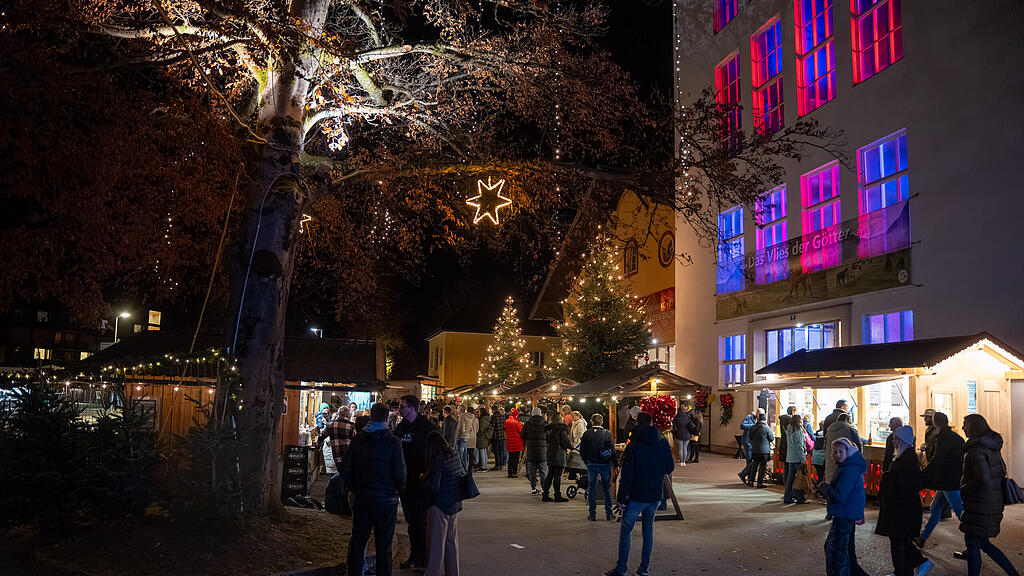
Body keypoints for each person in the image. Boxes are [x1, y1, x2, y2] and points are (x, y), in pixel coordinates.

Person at [603, 412, 674, 576]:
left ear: (637, 422)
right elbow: (669, 468)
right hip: (655, 494)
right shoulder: (662, 443)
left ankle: (621, 569)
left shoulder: (633, 445)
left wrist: (621, 499)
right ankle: (643, 569)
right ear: (651, 422)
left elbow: (627, 476)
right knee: (648, 531)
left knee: (626, 531)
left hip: (636, 495)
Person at [342, 402, 406, 576]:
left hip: (363, 496)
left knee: (358, 541)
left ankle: (354, 573)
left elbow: (346, 466)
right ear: (386, 418)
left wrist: (352, 486)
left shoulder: (359, 440)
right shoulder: (393, 442)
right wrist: (397, 490)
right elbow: (400, 472)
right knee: (384, 544)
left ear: (372, 416)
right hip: (386, 499)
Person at [959, 414, 1019, 576]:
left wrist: (963, 489)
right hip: (990, 502)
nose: (963, 427)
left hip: (980, 504)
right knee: (983, 543)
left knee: (973, 544)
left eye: (965, 424)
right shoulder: (992, 448)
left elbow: (982, 481)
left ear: (973, 426)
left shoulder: (975, 451)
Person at [876, 425, 932, 576]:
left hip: (904, 508)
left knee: (899, 541)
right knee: (899, 540)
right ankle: (904, 570)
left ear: (902, 440)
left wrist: (888, 478)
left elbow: (906, 483)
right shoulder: (904, 456)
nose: (893, 441)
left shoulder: (906, 459)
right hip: (903, 506)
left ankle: (914, 566)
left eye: (895, 439)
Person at [394, 395, 439, 570]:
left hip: (422, 482)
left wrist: (427, 475)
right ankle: (415, 555)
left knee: (421, 522)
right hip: (406, 482)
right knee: (412, 522)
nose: (399, 409)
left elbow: (436, 453)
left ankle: (424, 557)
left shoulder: (426, 428)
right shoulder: (401, 428)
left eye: (402, 406)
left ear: (412, 408)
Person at [916, 411, 965, 547]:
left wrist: (925, 472)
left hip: (949, 482)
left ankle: (975, 543)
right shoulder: (953, 437)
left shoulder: (944, 438)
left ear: (935, 422)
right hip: (949, 481)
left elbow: (938, 458)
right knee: (935, 508)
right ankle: (922, 537)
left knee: (960, 512)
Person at [822, 438, 869, 576]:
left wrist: (826, 488)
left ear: (848, 452)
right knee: (844, 550)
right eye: (835, 452)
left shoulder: (849, 469)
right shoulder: (848, 466)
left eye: (840, 451)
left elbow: (840, 495)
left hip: (845, 513)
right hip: (847, 512)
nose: (837, 454)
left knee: (836, 551)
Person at [423, 430, 463, 576]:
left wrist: (423, 479)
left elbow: (434, 487)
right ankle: (453, 572)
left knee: (436, 543)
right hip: (453, 503)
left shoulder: (438, 460)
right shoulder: (454, 455)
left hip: (439, 505)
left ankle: (433, 572)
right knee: (451, 542)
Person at [580, 413, 617, 521]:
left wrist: (586, 461)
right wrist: (616, 464)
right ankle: (609, 513)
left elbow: (582, 450)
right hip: (604, 464)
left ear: (592, 422)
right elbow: (613, 450)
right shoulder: (606, 433)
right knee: (607, 489)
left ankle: (592, 514)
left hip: (591, 464)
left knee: (591, 488)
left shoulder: (587, 434)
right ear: (602, 422)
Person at [824, 413, 862, 497]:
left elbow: (825, 445)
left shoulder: (829, 430)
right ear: (847, 420)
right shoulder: (850, 429)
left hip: (831, 459)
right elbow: (858, 445)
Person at [542, 410, 571, 502]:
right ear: (560, 418)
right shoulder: (562, 428)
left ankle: (545, 494)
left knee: (550, 474)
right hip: (559, 453)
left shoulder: (547, 428)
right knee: (557, 475)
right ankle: (557, 495)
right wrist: (571, 447)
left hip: (550, 452)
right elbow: (565, 441)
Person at [521, 407, 548, 495]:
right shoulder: (545, 424)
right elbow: (549, 436)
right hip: (542, 451)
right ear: (540, 414)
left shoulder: (527, 424)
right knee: (543, 471)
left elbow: (522, 435)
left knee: (532, 471)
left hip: (531, 451)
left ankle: (533, 488)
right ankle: (544, 489)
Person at [784, 413, 808, 504]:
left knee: (790, 478)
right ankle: (799, 497)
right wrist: (803, 459)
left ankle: (787, 497)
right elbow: (799, 447)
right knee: (799, 478)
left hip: (790, 457)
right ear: (798, 421)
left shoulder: (789, 430)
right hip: (797, 458)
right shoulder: (798, 432)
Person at [747, 410, 774, 488]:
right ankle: (759, 483)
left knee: (754, 465)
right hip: (764, 450)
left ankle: (751, 481)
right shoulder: (766, 428)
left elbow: (750, 437)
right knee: (762, 466)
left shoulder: (753, 427)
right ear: (765, 419)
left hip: (755, 450)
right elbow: (771, 438)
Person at [738, 409, 758, 484]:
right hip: (748, 442)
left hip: (755, 443)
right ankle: (748, 477)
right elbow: (742, 426)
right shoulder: (749, 417)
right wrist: (753, 426)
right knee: (749, 459)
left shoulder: (759, 420)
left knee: (753, 460)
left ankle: (748, 476)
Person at [455, 404, 477, 473]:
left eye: (458, 409)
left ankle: (462, 471)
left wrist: (457, 436)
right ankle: (465, 469)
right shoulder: (470, 417)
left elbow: (461, 427)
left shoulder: (462, 416)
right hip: (467, 437)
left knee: (459, 455)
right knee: (464, 455)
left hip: (462, 437)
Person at [504, 408, 524, 478]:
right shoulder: (517, 423)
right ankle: (514, 472)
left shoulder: (507, 421)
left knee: (510, 458)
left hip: (509, 442)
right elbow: (521, 431)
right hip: (516, 442)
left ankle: (509, 472)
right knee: (515, 458)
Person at [475, 406, 492, 472]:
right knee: (484, 451)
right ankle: (484, 465)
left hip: (482, 437)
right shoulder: (488, 418)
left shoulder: (482, 419)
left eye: (479, 412)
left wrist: (478, 432)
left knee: (482, 451)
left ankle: (483, 467)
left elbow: (481, 429)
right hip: (486, 436)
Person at [490, 405, 507, 471]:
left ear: (493, 410)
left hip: (496, 436)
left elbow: (492, 427)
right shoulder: (503, 417)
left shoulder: (494, 417)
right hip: (502, 436)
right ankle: (501, 465)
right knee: (501, 451)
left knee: (496, 452)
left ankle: (497, 465)